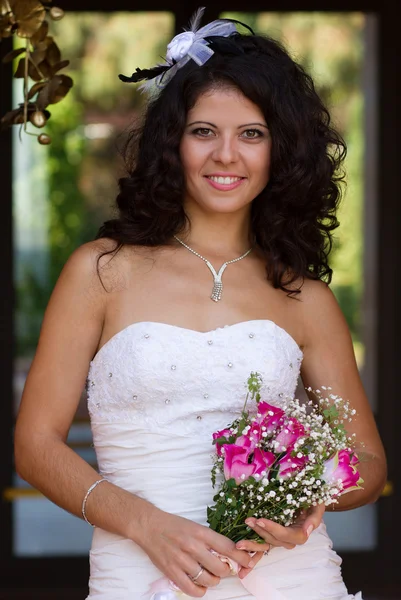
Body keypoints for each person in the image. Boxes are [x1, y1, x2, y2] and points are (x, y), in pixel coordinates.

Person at [14, 8, 386, 600]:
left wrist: (306, 499)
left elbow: (366, 462)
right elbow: (34, 446)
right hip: (137, 570)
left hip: (292, 578)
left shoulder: (305, 297)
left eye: (252, 134)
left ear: (282, 151)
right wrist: (146, 525)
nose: (226, 156)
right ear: (173, 141)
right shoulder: (102, 271)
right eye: (204, 131)